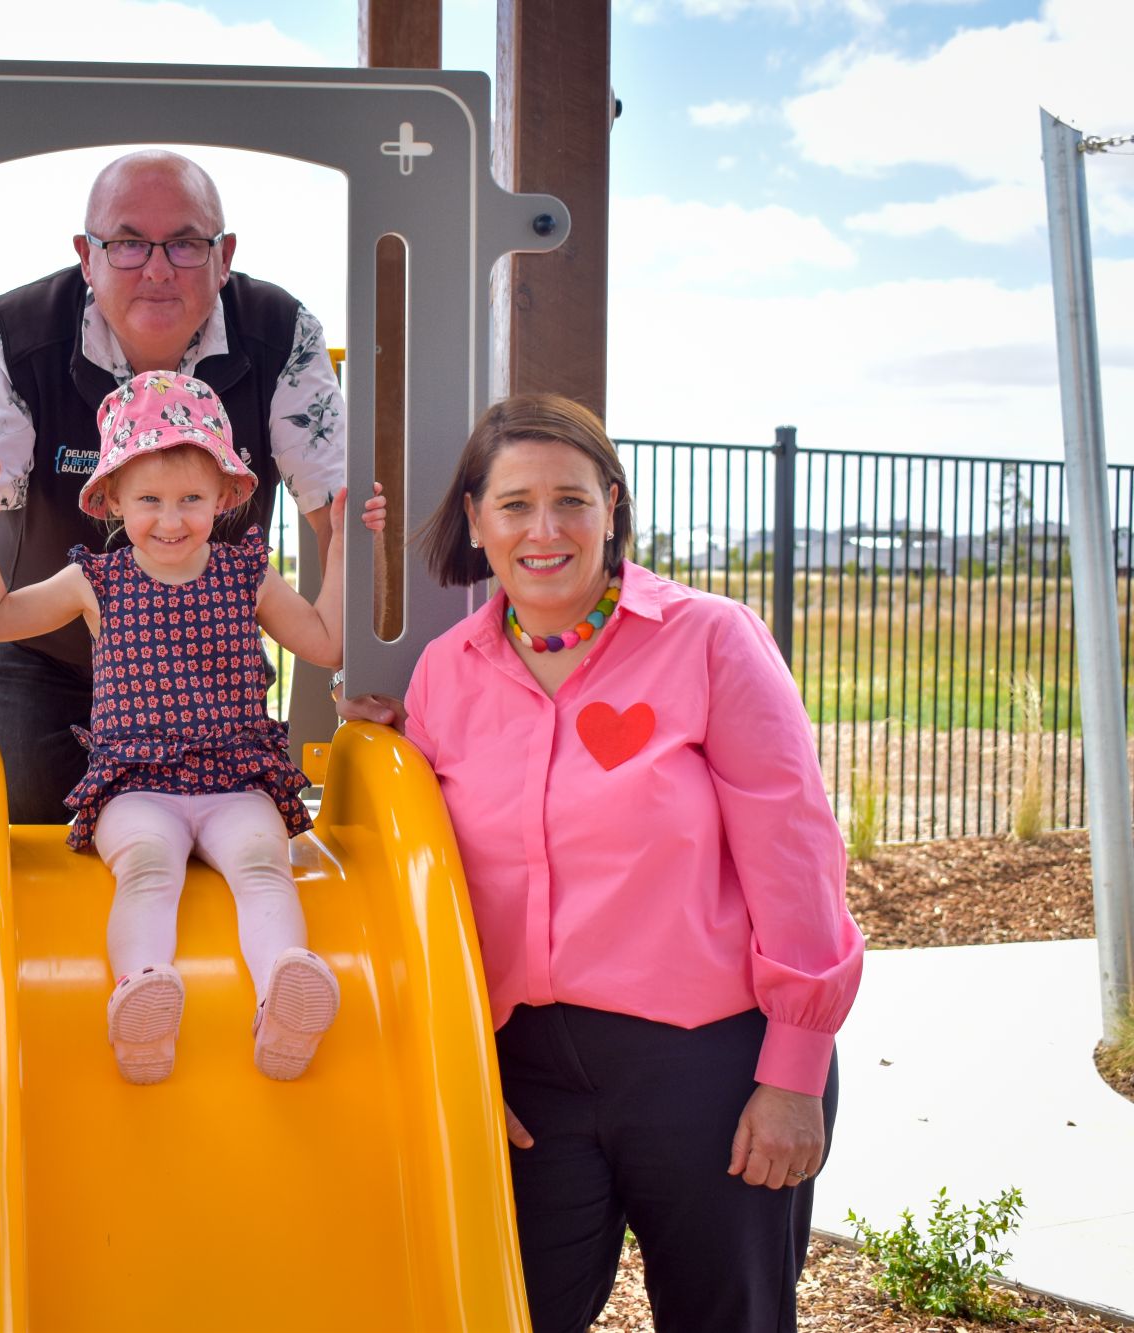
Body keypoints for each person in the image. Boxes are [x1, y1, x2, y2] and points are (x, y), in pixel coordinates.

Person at [343, 394, 864, 1332]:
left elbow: (797, 855)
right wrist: (457, 1065)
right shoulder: (445, 673)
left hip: (711, 1063)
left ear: (613, 506)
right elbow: (428, 891)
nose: (544, 530)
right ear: (475, 518)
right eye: (513, 504)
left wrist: (793, 1069)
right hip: (525, 1078)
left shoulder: (710, 640)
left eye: (572, 500)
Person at [0, 370, 384, 1084]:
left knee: (264, 865)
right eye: (149, 499)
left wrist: (338, 547)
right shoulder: (96, 579)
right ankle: (143, 996)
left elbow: (326, 641)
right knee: (147, 867)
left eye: (190, 499)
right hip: (137, 787)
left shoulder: (247, 575)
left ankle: (285, 994)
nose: (171, 519)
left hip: (235, 779)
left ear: (225, 497)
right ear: (113, 499)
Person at [0, 148, 347, 822]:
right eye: (127, 243)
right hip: (47, 650)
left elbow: (338, 517)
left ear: (225, 255)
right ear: (86, 254)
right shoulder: (11, 336)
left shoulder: (281, 332)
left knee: (234, 824)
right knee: (24, 813)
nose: (157, 269)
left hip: (205, 656)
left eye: (186, 243)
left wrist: (354, 675)